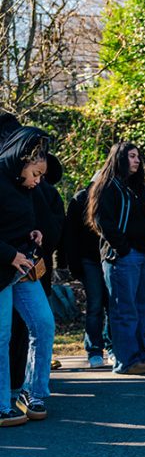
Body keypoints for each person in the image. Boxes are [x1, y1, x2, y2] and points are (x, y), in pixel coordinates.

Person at [88, 142, 145, 376]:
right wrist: (123, 248)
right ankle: (126, 361)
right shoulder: (106, 186)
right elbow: (101, 221)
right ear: (119, 158)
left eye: (138, 156)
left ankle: (141, 356)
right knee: (124, 310)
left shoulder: (137, 187)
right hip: (123, 256)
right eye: (132, 156)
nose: (137, 160)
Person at [0, 127, 56, 426]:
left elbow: (17, 221)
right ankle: (1, 404)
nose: (37, 181)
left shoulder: (23, 186)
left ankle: (32, 393)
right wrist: (9, 254)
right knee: (1, 335)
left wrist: (33, 233)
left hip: (23, 268)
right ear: (22, 161)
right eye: (35, 173)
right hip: (3, 268)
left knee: (44, 324)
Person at [65, 180, 113, 368]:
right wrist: (72, 264)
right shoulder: (80, 199)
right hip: (89, 260)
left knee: (112, 304)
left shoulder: (113, 194)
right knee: (95, 304)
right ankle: (94, 350)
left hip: (110, 258)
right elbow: (70, 234)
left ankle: (112, 347)